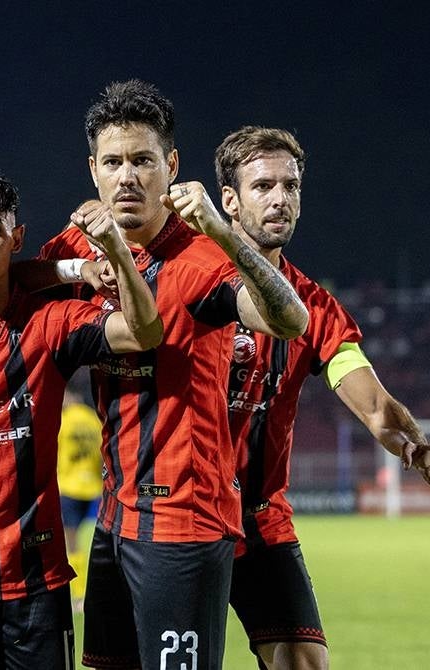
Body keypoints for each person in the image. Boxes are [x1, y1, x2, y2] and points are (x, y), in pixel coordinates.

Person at [38, 80, 309, 670]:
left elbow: (289, 320)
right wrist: (76, 264)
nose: (127, 176)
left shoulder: (202, 257)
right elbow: (9, 287)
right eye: (113, 162)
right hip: (115, 517)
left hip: (184, 518)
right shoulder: (83, 243)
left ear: (172, 166)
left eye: (143, 161)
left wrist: (222, 234)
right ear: (93, 170)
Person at [0, 165, 162, 669]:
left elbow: (145, 332)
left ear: (16, 238)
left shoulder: (50, 324)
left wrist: (112, 256)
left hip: (36, 583)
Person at [215, 125, 430, 670]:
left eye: (291, 186)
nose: (281, 199)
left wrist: (412, 444)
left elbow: (372, 403)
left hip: (260, 518)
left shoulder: (315, 308)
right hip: (183, 514)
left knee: (304, 662)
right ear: (229, 199)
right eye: (264, 186)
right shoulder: (190, 277)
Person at [55, 388, 104, 611]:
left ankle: (78, 593)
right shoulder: (91, 419)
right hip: (93, 487)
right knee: (92, 541)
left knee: (71, 544)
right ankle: (93, 591)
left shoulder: (63, 421)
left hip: (70, 487)